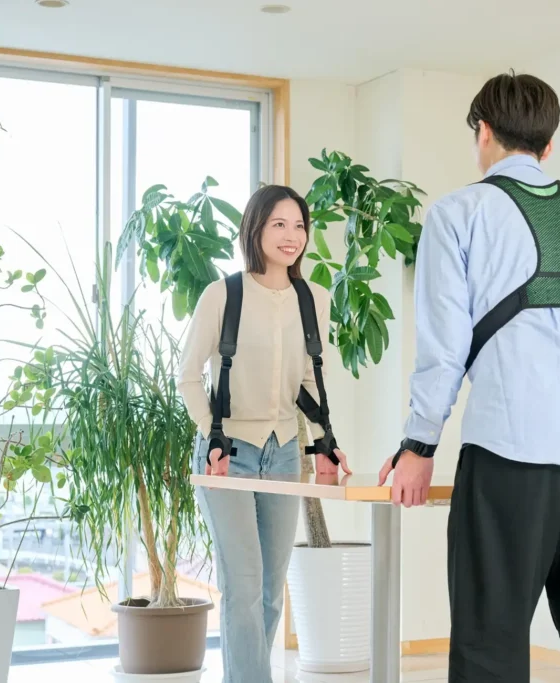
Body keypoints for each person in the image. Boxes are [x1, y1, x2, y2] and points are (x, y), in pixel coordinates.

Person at [379, 73, 560, 682]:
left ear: (484, 133)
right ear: (548, 147)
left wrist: (418, 446)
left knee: (490, 642)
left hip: (511, 446)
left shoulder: (456, 213)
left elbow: (443, 348)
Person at [179, 185, 351, 683]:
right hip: (226, 453)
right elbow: (187, 375)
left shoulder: (314, 298)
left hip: (284, 452)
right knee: (245, 584)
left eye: (299, 226)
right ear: (255, 229)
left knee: (273, 589)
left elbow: (310, 381)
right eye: (278, 224)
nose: (291, 235)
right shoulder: (223, 294)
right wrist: (210, 435)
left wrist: (324, 441)